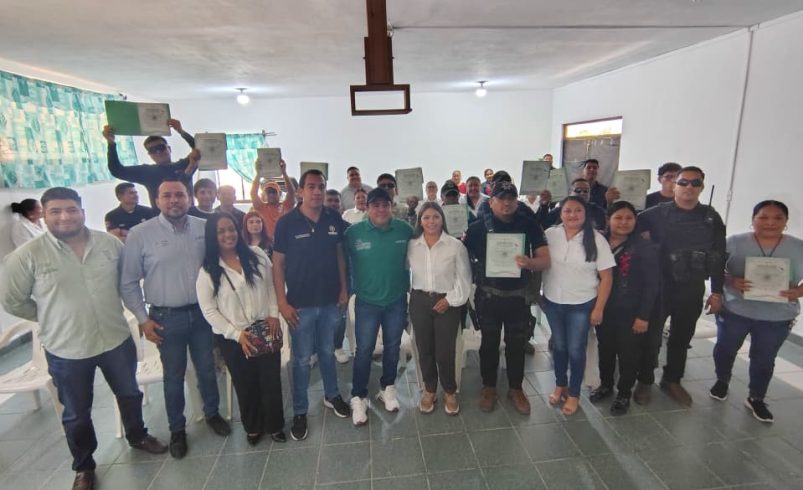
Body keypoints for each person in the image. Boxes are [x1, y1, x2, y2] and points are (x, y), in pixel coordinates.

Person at [0, 187, 167, 490]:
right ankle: (84, 466)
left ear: (82, 212)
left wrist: (142, 318)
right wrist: (50, 316)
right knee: (76, 414)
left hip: (115, 339)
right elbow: (13, 301)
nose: (65, 217)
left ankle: (138, 435)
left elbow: (127, 284)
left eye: (71, 209)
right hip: (67, 349)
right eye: (55, 211)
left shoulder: (109, 245)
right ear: (45, 215)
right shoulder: (27, 256)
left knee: (130, 394)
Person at [120, 179, 231, 459]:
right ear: (157, 200)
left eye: (179, 195)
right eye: (167, 195)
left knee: (207, 369)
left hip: (203, 314)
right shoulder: (140, 234)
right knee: (173, 376)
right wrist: (143, 319)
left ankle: (212, 414)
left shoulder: (204, 228)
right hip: (165, 319)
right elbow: (128, 282)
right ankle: (177, 429)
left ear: (189, 199)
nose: (174, 200)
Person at [272, 169, 351, 440]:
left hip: (330, 301)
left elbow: (340, 255)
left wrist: (344, 289)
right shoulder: (286, 223)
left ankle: (332, 395)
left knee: (328, 351)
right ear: (300, 191)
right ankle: (300, 411)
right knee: (302, 360)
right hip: (300, 306)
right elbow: (278, 264)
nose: (317, 191)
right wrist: (281, 302)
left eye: (321, 186)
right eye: (311, 186)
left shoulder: (333, 218)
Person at [637, 166, 726, 406]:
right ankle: (644, 380)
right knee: (651, 337)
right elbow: (631, 238)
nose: (689, 187)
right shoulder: (654, 214)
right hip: (660, 286)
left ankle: (672, 379)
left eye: (695, 183)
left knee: (682, 336)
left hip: (692, 286)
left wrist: (717, 291)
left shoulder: (711, 217)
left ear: (702, 187)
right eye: (683, 182)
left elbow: (718, 255)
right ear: (674, 185)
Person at [709, 200, 803, 422]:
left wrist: (799, 291)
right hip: (736, 310)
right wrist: (732, 281)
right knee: (725, 349)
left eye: (778, 218)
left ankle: (756, 397)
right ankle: (722, 380)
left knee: (764, 359)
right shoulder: (734, 242)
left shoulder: (798, 247)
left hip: (777, 316)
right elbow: (714, 268)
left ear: (786, 222)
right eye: (763, 217)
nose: (770, 222)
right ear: (753, 220)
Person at [196, 213, 286, 444]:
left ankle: (275, 425)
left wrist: (273, 313)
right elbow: (209, 311)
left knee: (270, 380)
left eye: (231, 229)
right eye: (221, 231)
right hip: (234, 338)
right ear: (212, 236)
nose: (228, 235)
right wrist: (236, 334)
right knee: (245, 384)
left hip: (265, 328)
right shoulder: (208, 271)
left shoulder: (256, 255)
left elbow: (272, 285)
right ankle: (253, 427)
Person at [463, 181, 550, 415]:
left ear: (516, 202)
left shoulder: (529, 225)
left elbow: (545, 260)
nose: (506, 203)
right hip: (488, 296)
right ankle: (489, 387)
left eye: (511, 198)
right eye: (501, 198)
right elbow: (461, 257)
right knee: (489, 344)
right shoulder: (477, 228)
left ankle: (516, 389)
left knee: (516, 345)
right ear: (491, 202)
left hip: (517, 297)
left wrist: (529, 263)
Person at [345, 188, 414, 425]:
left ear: (391, 206)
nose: (381, 209)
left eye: (386, 205)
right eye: (376, 205)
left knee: (392, 346)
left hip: (396, 300)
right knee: (364, 349)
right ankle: (358, 395)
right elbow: (339, 261)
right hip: (367, 302)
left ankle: (387, 388)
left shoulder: (404, 230)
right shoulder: (353, 233)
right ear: (367, 208)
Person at [542, 196, 615, 415]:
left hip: (581, 304)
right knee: (559, 347)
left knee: (576, 349)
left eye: (577, 210)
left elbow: (607, 277)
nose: (572, 215)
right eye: (567, 211)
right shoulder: (550, 234)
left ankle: (574, 393)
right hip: (553, 301)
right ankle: (560, 384)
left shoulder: (597, 239)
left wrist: (599, 308)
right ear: (560, 213)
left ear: (585, 213)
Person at [590, 201, 660, 415]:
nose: (623, 222)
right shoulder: (598, 241)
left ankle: (624, 393)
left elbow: (652, 285)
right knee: (605, 350)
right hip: (603, 307)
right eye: (618, 218)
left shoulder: (644, 247)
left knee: (629, 354)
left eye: (629, 218)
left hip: (631, 311)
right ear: (608, 220)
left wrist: (643, 316)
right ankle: (606, 385)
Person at [408, 202, 471, 415]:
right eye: (426, 217)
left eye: (435, 216)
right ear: (420, 221)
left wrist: (449, 300)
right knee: (424, 349)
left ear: (442, 219)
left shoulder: (455, 246)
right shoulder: (412, 245)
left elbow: (464, 279)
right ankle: (430, 390)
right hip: (419, 301)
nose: (431, 221)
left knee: (445, 351)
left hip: (447, 302)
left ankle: (450, 391)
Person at [103, 119, 198, 208]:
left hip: (189, 215)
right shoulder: (147, 172)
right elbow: (117, 170)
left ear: (169, 148)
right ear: (149, 154)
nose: (158, 152)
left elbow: (200, 149)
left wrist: (181, 131)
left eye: (161, 148)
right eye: (153, 150)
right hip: (161, 218)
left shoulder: (183, 165)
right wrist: (111, 143)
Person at [250, 160, 295, 239]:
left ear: (279, 194)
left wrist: (284, 173)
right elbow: (253, 193)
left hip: (284, 242)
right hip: (267, 243)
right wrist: (258, 174)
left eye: (274, 192)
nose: (271, 195)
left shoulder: (286, 205)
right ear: (265, 195)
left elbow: (291, 192)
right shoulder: (261, 207)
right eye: (269, 192)